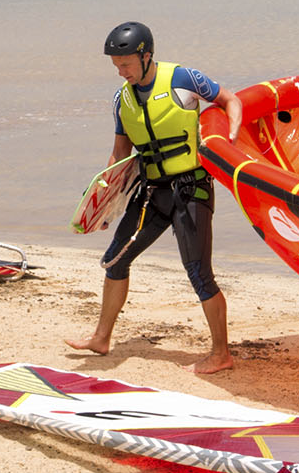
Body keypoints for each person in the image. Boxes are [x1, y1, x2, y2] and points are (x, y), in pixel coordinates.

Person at [68, 22, 243, 374]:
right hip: (151, 193)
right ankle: (101, 338)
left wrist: (231, 142)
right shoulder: (122, 98)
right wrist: (102, 201)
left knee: (198, 272)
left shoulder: (183, 78)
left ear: (147, 56)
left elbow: (230, 100)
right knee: (115, 260)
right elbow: (119, 155)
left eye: (127, 64)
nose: (122, 72)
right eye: (117, 66)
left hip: (191, 189)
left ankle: (221, 353)